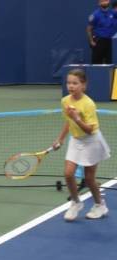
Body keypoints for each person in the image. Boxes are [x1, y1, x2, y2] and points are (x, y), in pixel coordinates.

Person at [55, 69, 111, 221]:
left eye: (75, 83)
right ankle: (76, 202)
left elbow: (90, 129)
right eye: (69, 83)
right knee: (68, 174)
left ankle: (100, 205)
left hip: (91, 141)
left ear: (83, 85)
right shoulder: (65, 101)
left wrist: (77, 118)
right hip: (75, 140)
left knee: (89, 179)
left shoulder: (88, 104)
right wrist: (60, 139)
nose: (71, 86)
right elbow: (68, 121)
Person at [88, 0, 117, 64]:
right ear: (99, 3)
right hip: (99, 41)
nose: (104, 2)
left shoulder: (113, 13)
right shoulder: (95, 15)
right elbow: (89, 29)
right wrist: (91, 41)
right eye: (102, 1)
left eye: (106, 1)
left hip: (110, 42)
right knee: (97, 62)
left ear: (109, 2)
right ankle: (95, 74)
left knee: (110, 62)